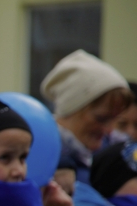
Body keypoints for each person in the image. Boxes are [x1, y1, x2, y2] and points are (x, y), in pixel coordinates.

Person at [41, 49, 133, 183]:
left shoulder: (112, 153)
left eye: (115, 119)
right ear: (71, 109)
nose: (109, 130)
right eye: (101, 119)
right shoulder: (42, 156)